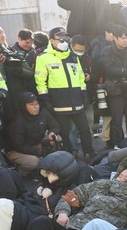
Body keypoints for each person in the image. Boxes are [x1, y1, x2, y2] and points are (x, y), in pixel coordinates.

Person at [34, 26, 95, 161]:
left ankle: (90, 154)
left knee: (85, 130)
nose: (64, 41)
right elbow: (40, 81)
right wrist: (45, 99)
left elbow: (80, 77)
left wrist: (84, 94)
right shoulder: (43, 58)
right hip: (59, 103)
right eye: (60, 38)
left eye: (66, 38)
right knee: (65, 133)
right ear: (51, 40)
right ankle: (68, 157)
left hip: (77, 102)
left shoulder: (73, 56)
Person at [6, 92, 61, 176]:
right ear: (24, 106)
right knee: (34, 162)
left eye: (37, 103)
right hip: (15, 150)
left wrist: (52, 133)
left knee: (57, 138)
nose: (36, 107)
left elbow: (55, 125)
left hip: (34, 143)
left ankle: (40, 160)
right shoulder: (17, 121)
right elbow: (18, 146)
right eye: (31, 105)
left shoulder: (43, 112)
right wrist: (37, 152)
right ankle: (18, 173)